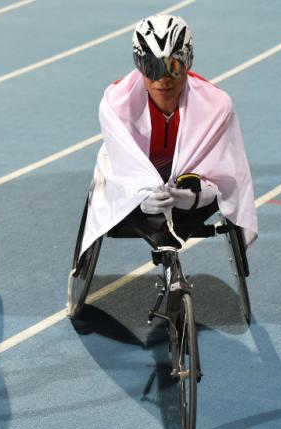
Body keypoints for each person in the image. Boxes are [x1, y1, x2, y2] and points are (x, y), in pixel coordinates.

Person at [77, 14, 258, 258]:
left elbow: (229, 173)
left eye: (174, 65)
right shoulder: (115, 104)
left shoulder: (217, 106)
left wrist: (197, 196)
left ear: (188, 62)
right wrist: (138, 196)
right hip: (130, 184)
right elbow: (119, 169)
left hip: (188, 189)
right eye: (152, 67)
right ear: (139, 65)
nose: (163, 78)